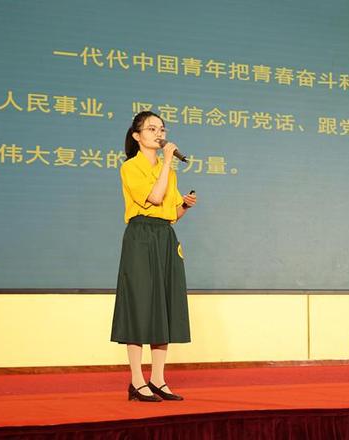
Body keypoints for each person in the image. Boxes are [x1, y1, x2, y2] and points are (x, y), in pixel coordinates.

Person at [110, 111, 197, 402]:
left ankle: (158, 379)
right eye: (151, 129)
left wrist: (185, 206)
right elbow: (154, 198)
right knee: (139, 305)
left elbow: (170, 214)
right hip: (141, 237)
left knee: (163, 306)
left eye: (162, 129)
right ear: (137, 136)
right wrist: (167, 163)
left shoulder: (167, 170)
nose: (159, 134)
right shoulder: (130, 167)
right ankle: (137, 380)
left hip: (164, 237)